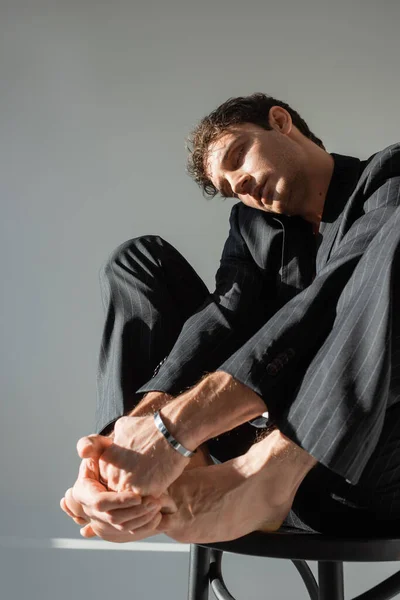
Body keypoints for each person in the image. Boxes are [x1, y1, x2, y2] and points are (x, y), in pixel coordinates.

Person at [60, 93, 400, 543]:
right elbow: (222, 317)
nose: (241, 186)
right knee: (138, 259)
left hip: (366, 463)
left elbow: (327, 301)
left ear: (280, 121)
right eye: (229, 189)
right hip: (235, 473)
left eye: (239, 158)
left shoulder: (387, 178)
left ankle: (269, 473)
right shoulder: (252, 225)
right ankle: (137, 477)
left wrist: (176, 428)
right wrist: (136, 430)